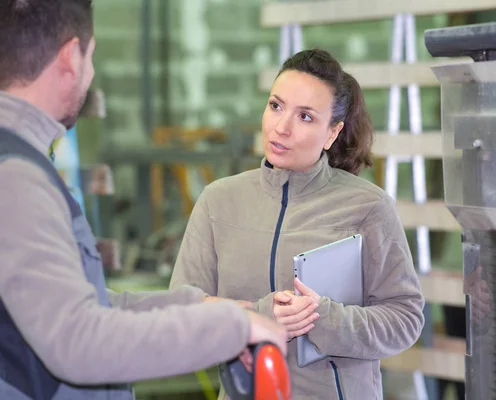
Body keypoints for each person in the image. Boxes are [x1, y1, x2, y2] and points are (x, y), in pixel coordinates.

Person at [0, 1, 287, 399]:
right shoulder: (15, 175)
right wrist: (229, 330)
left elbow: (83, 303)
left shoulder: (18, 161)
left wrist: (196, 308)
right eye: (92, 56)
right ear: (70, 56)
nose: (92, 73)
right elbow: (80, 341)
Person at [170, 48, 425, 400]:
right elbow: (180, 312)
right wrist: (260, 317)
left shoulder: (368, 207)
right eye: (276, 106)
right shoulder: (218, 201)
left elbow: (405, 319)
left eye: (305, 117)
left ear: (332, 133)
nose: (281, 127)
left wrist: (324, 318)